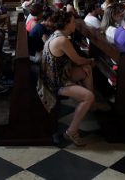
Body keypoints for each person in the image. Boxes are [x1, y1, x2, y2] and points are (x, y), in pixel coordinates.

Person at [37, 10, 98, 146]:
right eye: (73, 22)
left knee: (86, 69)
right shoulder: (62, 40)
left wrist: (87, 64)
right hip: (55, 82)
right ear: (66, 24)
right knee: (88, 95)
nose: (75, 24)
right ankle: (71, 131)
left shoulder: (57, 34)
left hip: (57, 74)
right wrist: (91, 60)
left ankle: (92, 105)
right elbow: (77, 60)